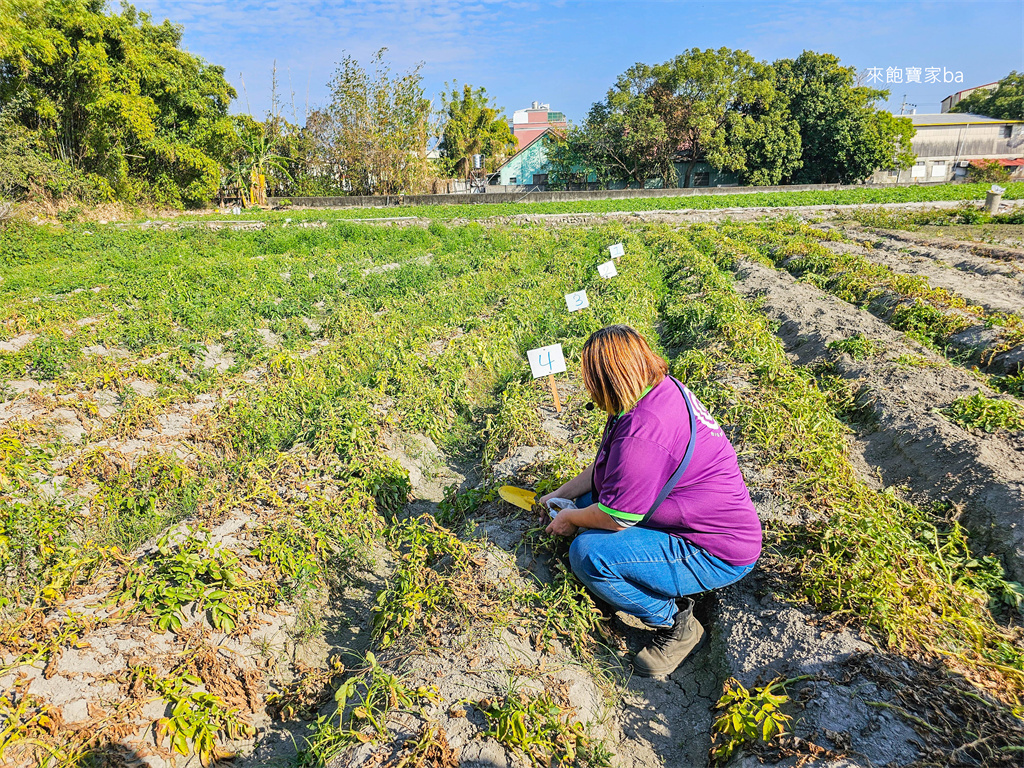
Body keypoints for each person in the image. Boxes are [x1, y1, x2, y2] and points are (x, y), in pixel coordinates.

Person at [538, 325, 762, 677]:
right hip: (691, 520)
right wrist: (561, 495)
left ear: (608, 380)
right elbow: (603, 469)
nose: (588, 388)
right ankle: (635, 577)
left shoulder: (645, 432)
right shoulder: (649, 391)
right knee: (583, 500)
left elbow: (617, 518)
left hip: (714, 549)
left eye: (590, 380)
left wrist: (572, 520)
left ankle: (677, 623)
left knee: (588, 555)